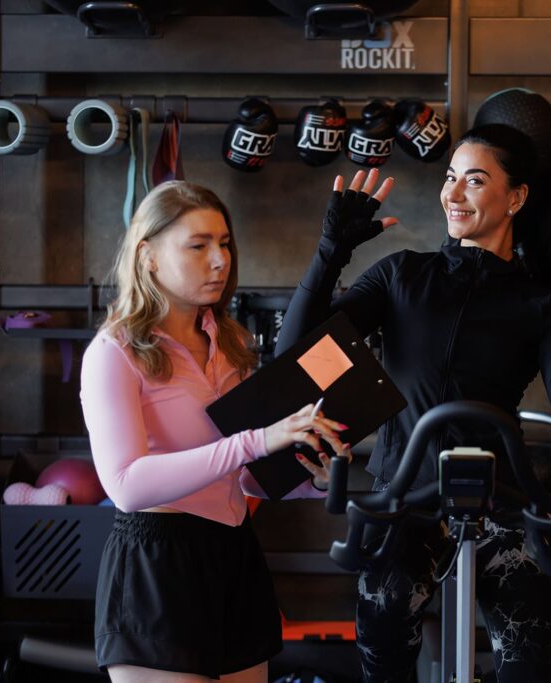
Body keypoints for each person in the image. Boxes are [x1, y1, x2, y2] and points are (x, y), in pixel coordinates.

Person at [274, 124, 551, 683]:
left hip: (503, 503)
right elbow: (297, 358)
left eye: (474, 180)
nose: (452, 193)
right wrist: (332, 251)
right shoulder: (401, 276)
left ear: (516, 198)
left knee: (528, 669)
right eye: (450, 178)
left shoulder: (539, 302)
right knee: (384, 655)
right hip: (403, 500)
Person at [80, 180, 352, 683]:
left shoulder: (229, 345)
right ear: (148, 256)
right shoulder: (113, 353)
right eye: (198, 245)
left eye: (224, 243)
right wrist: (257, 441)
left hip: (234, 552)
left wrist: (311, 478)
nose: (220, 260)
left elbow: (242, 479)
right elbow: (126, 486)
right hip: (157, 562)